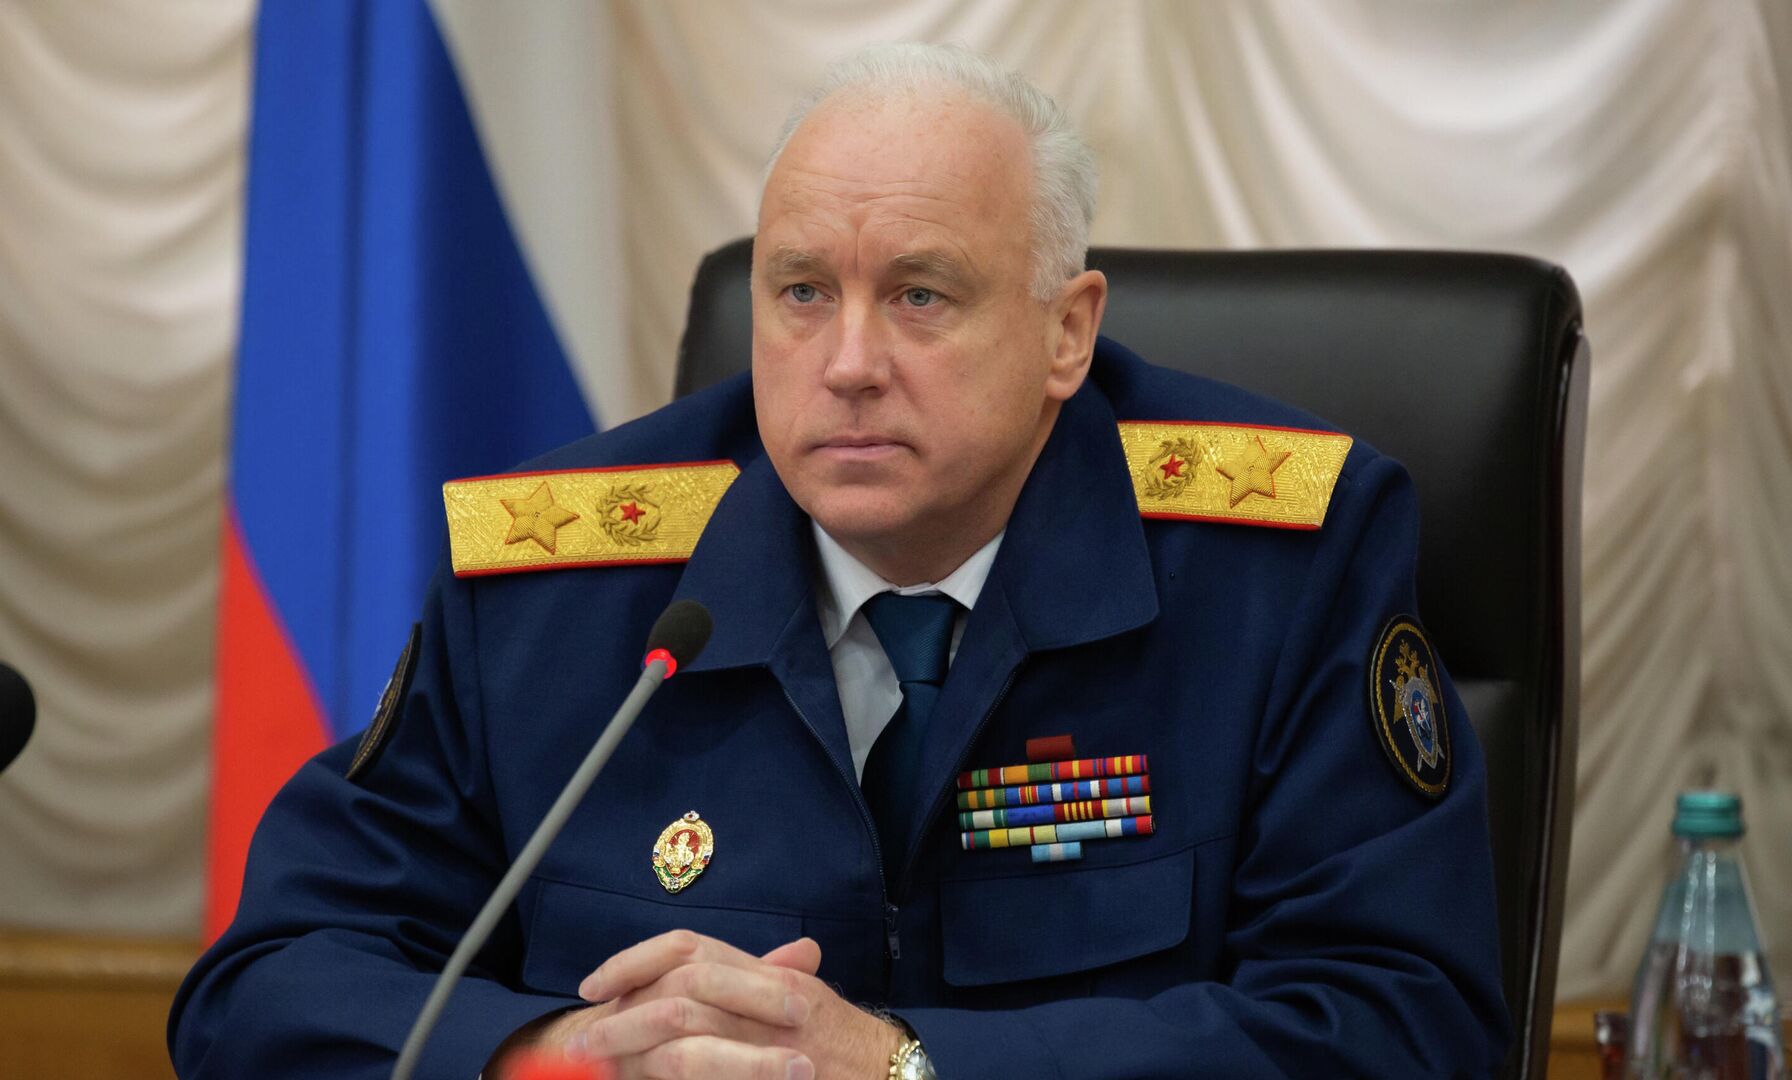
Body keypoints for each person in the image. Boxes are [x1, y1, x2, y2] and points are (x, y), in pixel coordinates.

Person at [170, 42, 1508, 1079]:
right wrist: (548, 1056)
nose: (849, 362)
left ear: (1067, 332)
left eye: (921, 295)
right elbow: (263, 986)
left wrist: (906, 1067)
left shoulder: (1283, 568)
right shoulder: (554, 585)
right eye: (802, 292)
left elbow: (1406, 1027)